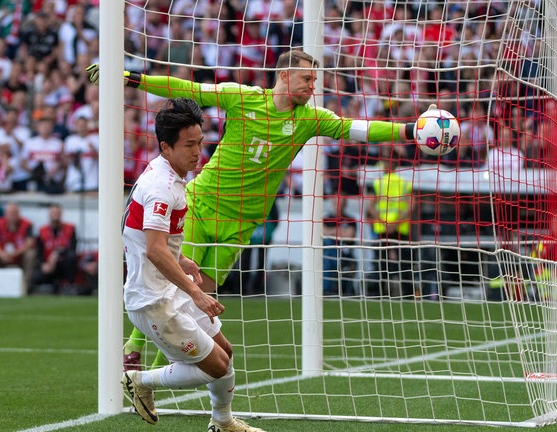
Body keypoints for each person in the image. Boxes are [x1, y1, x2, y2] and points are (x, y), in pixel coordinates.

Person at [87, 49, 435, 368]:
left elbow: (356, 128)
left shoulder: (309, 119)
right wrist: (130, 77)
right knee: (175, 283)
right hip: (202, 204)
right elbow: (187, 89)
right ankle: (134, 350)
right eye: (307, 78)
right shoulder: (244, 98)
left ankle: (150, 376)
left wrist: (409, 131)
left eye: (314, 80)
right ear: (285, 76)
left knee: (198, 295)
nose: (312, 86)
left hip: (242, 222)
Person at [120, 97, 265, 432]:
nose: (198, 151)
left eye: (200, 142)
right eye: (189, 145)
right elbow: (155, 251)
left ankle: (222, 422)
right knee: (216, 366)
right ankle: (139, 381)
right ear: (166, 147)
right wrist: (196, 293)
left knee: (225, 351)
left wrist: (183, 260)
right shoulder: (161, 187)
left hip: (169, 288)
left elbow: (147, 237)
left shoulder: (169, 174)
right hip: (152, 301)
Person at [367, 154, 416, 297]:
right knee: (405, 264)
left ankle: (379, 294)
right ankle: (408, 296)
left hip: (382, 228)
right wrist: (396, 222)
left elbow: (370, 206)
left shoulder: (378, 183)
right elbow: (411, 206)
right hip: (400, 228)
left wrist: (384, 222)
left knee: (381, 263)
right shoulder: (404, 183)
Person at [0, 201, 37, 287]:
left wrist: (14, 254)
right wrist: (1, 254)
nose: (12, 215)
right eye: (10, 213)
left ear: (19, 213)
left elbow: (29, 243)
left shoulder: (27, 224)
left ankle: (26, 285)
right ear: (5, 214)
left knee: (30, 254)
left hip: (19, 256)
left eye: (14, 213)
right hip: (2, 256)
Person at [29, 203, 77, 294]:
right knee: (36, 277)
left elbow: (72, 248)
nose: (55, 216)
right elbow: (39, 252)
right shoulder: (42, 231)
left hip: (63, 263)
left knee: (72, 257)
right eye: (53, 213)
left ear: (61, 214)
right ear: (49, 215)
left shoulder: (70, 229)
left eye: (57, 213)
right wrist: (43, 264)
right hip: (48, 265)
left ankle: (69, 285)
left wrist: (56, 254)